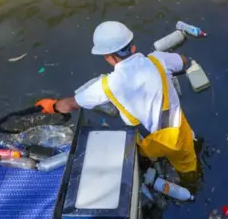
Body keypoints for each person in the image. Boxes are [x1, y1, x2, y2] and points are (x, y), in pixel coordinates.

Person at [37, 21, 198, 176]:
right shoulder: (159, 60)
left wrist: (52, 105)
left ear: (109, 57)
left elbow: (71, 104)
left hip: (150, 143)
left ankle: (151, 162)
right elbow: (183, 60)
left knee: (142, 153)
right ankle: (189, 178)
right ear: (132, 46)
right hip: (178, 137)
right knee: (187, 167)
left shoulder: (107, 85)